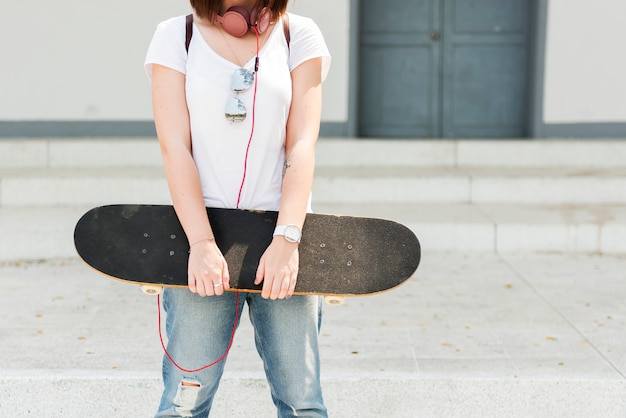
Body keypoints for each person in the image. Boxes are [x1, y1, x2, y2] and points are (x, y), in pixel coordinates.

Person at [144, 0, 331, 416]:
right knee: (183, 405)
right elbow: (175, 148)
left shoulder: (297, 35)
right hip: (202, 244)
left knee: (302, 404)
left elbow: (301, 144)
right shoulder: (177, 36)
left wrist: (287, 238)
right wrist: (201, 242)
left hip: (282, 244)